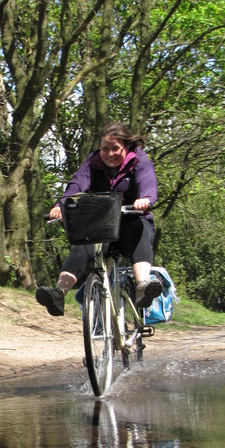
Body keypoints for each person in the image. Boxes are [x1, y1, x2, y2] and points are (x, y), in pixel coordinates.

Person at [36, 121, 162, 316]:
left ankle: (142, 287)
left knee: (142, 229)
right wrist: (61, 206)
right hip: (103, 225)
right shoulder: (92, 162)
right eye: (105, 149)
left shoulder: (138, 160)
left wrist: (145, 199)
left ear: (126, 147)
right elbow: (77, 183)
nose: (109, 154)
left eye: (115, 149)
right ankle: (58, 294)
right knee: (82, 242)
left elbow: (147, 179)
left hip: (130, 222)